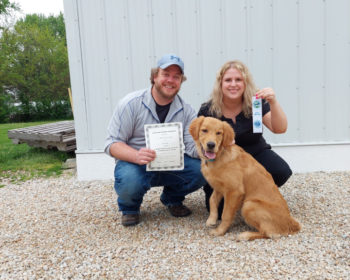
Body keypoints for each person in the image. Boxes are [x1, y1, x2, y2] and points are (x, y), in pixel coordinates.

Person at [105, 54, 206, 227]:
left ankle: (172, 198)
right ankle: (130, 208)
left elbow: (190, 147)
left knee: (203, 170)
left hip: (172, 163)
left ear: (181, 81)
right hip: (136, 163)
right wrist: (136, 156)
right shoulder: (131, 104)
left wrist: (209, 152)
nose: (170, 80)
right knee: (129, 180)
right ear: (154, 77)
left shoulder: (187, 111)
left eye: (176, 77)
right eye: (165, 74)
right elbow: (112, 143)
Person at [198, 60, 292, 216]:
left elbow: (280, 128)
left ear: (245, 83)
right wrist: (222, 146)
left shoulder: (255, 103)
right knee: (219, 211)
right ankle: (236, 194)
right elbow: (200, 141)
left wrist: (273, 102)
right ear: (220, 84)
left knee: (281, 171)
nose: (233, 84)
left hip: (255, 154)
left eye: (238, 80)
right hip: (223, 161)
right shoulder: (209, 109)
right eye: (228, 80)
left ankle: (250, 196)